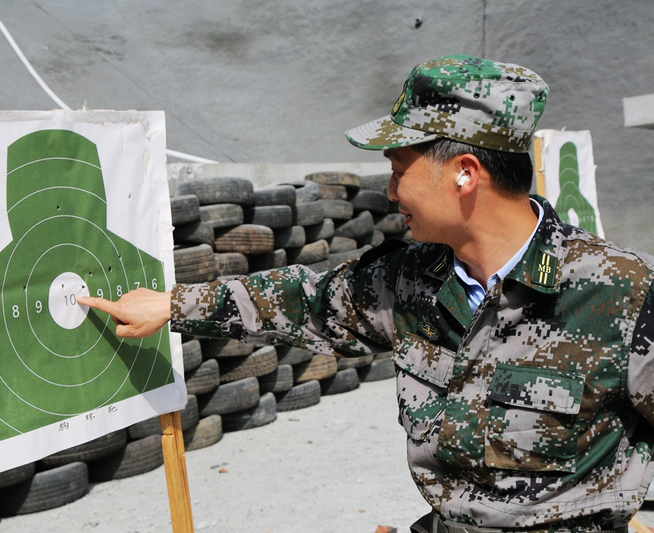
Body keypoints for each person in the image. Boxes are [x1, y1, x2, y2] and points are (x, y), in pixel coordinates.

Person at [78, 55, 654, 533]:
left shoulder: (621, 294)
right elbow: (298, 298)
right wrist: (171, 305)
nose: (389, 190)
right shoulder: (410, 280)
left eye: (399, 168)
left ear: (465, 173)